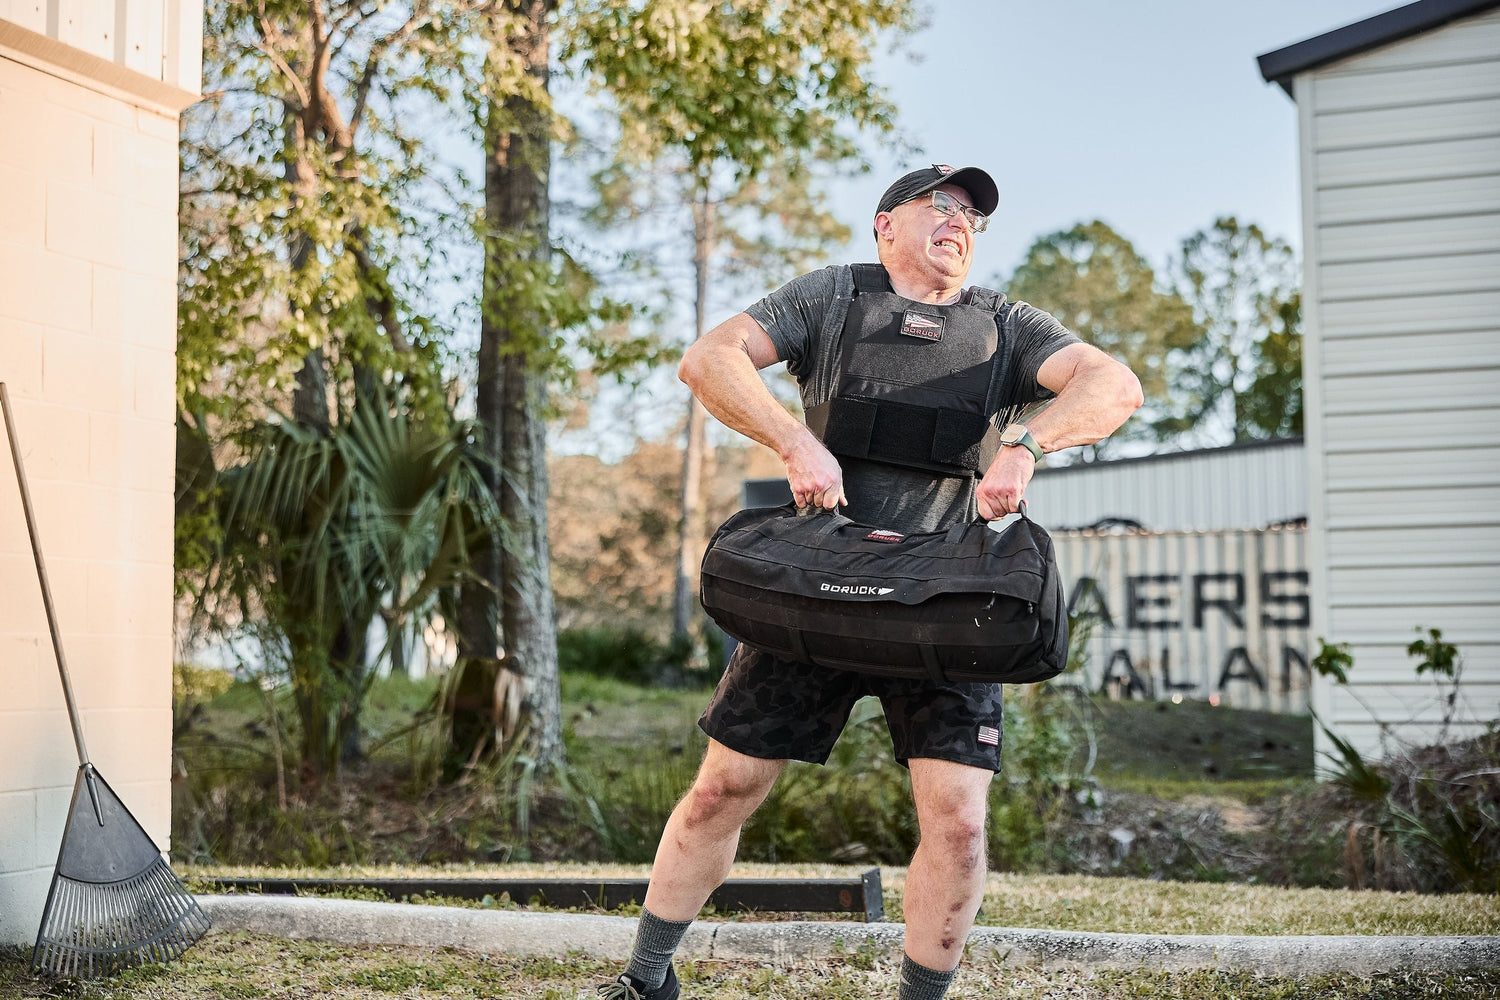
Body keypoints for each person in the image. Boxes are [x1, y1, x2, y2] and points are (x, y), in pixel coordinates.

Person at [597, 164, 1143, 1000]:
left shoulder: (1007, 326)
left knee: (959, 826)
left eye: (973, 215)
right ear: (886, 225)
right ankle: (645, 979)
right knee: (721, 790)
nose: (959, 222)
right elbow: (709, 360)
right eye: (942, 206)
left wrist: (1028, 443)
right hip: (817, 586)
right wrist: (791, 439)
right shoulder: (831, 299)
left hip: (943, 605)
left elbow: (1116, 384)